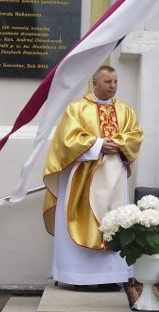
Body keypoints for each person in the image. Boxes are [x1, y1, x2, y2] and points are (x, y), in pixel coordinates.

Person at [43, 65, 144, 290]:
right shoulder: (77, 108)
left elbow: (135, 135)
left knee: (114, 221)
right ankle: (78, 277)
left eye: (116, 82)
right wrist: (98, 144)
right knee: (82, 222)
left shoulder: (125, 110)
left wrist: (118, 143)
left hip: (115, 179)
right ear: (95, 83)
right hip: (83, 180)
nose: (113, 86)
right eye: (108, 82)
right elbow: (66, 140)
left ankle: (109, 278)